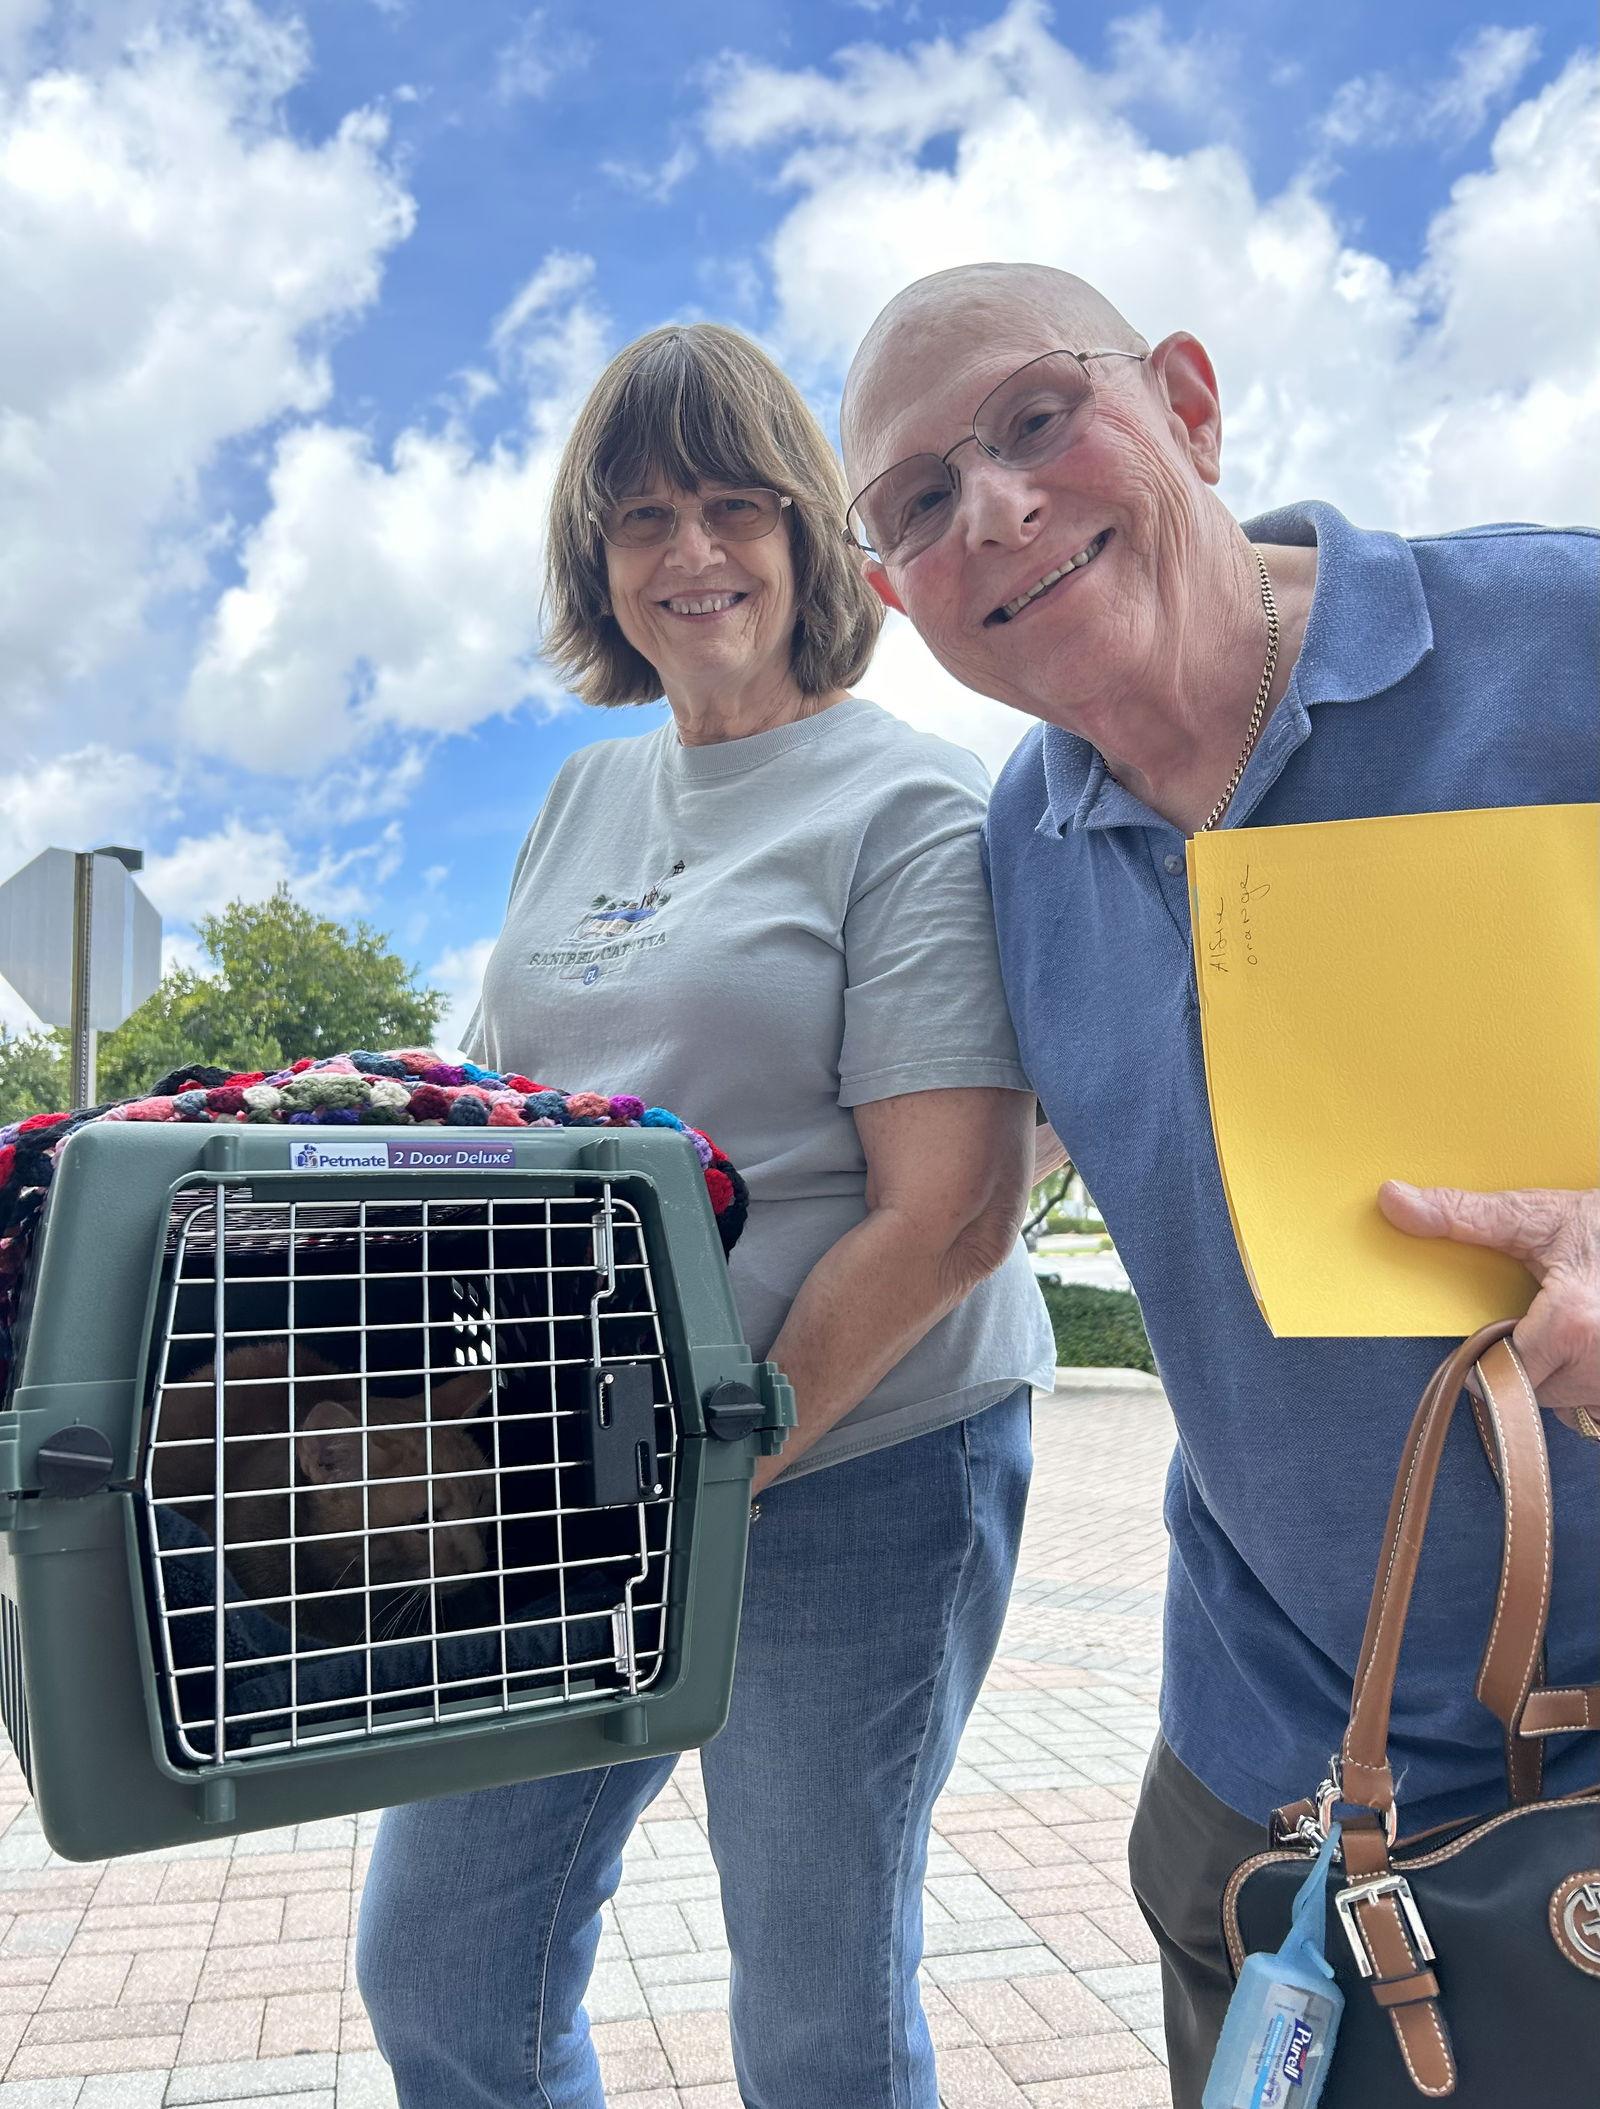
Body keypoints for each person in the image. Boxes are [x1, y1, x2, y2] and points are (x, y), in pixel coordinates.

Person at [838, 261, 1600, 2107]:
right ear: (892, 593)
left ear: (1187, 398)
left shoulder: (1558, 634)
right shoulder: (1014, 841)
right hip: (1261, 1794)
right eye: (921, 502)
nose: (998, 508)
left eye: (1036, 419)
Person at [355, 320, 1058, 2108]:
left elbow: (958, 1207)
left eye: (738, 507)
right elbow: (502, 1125)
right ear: (595, 559)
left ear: (814, 538)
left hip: (862, 1456)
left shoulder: (908, 799)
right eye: (643, 516)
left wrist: (721, 1448)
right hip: (569, 1467)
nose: (692, 556)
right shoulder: (586, 790)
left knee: (815, 2013)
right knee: (441, 1960)